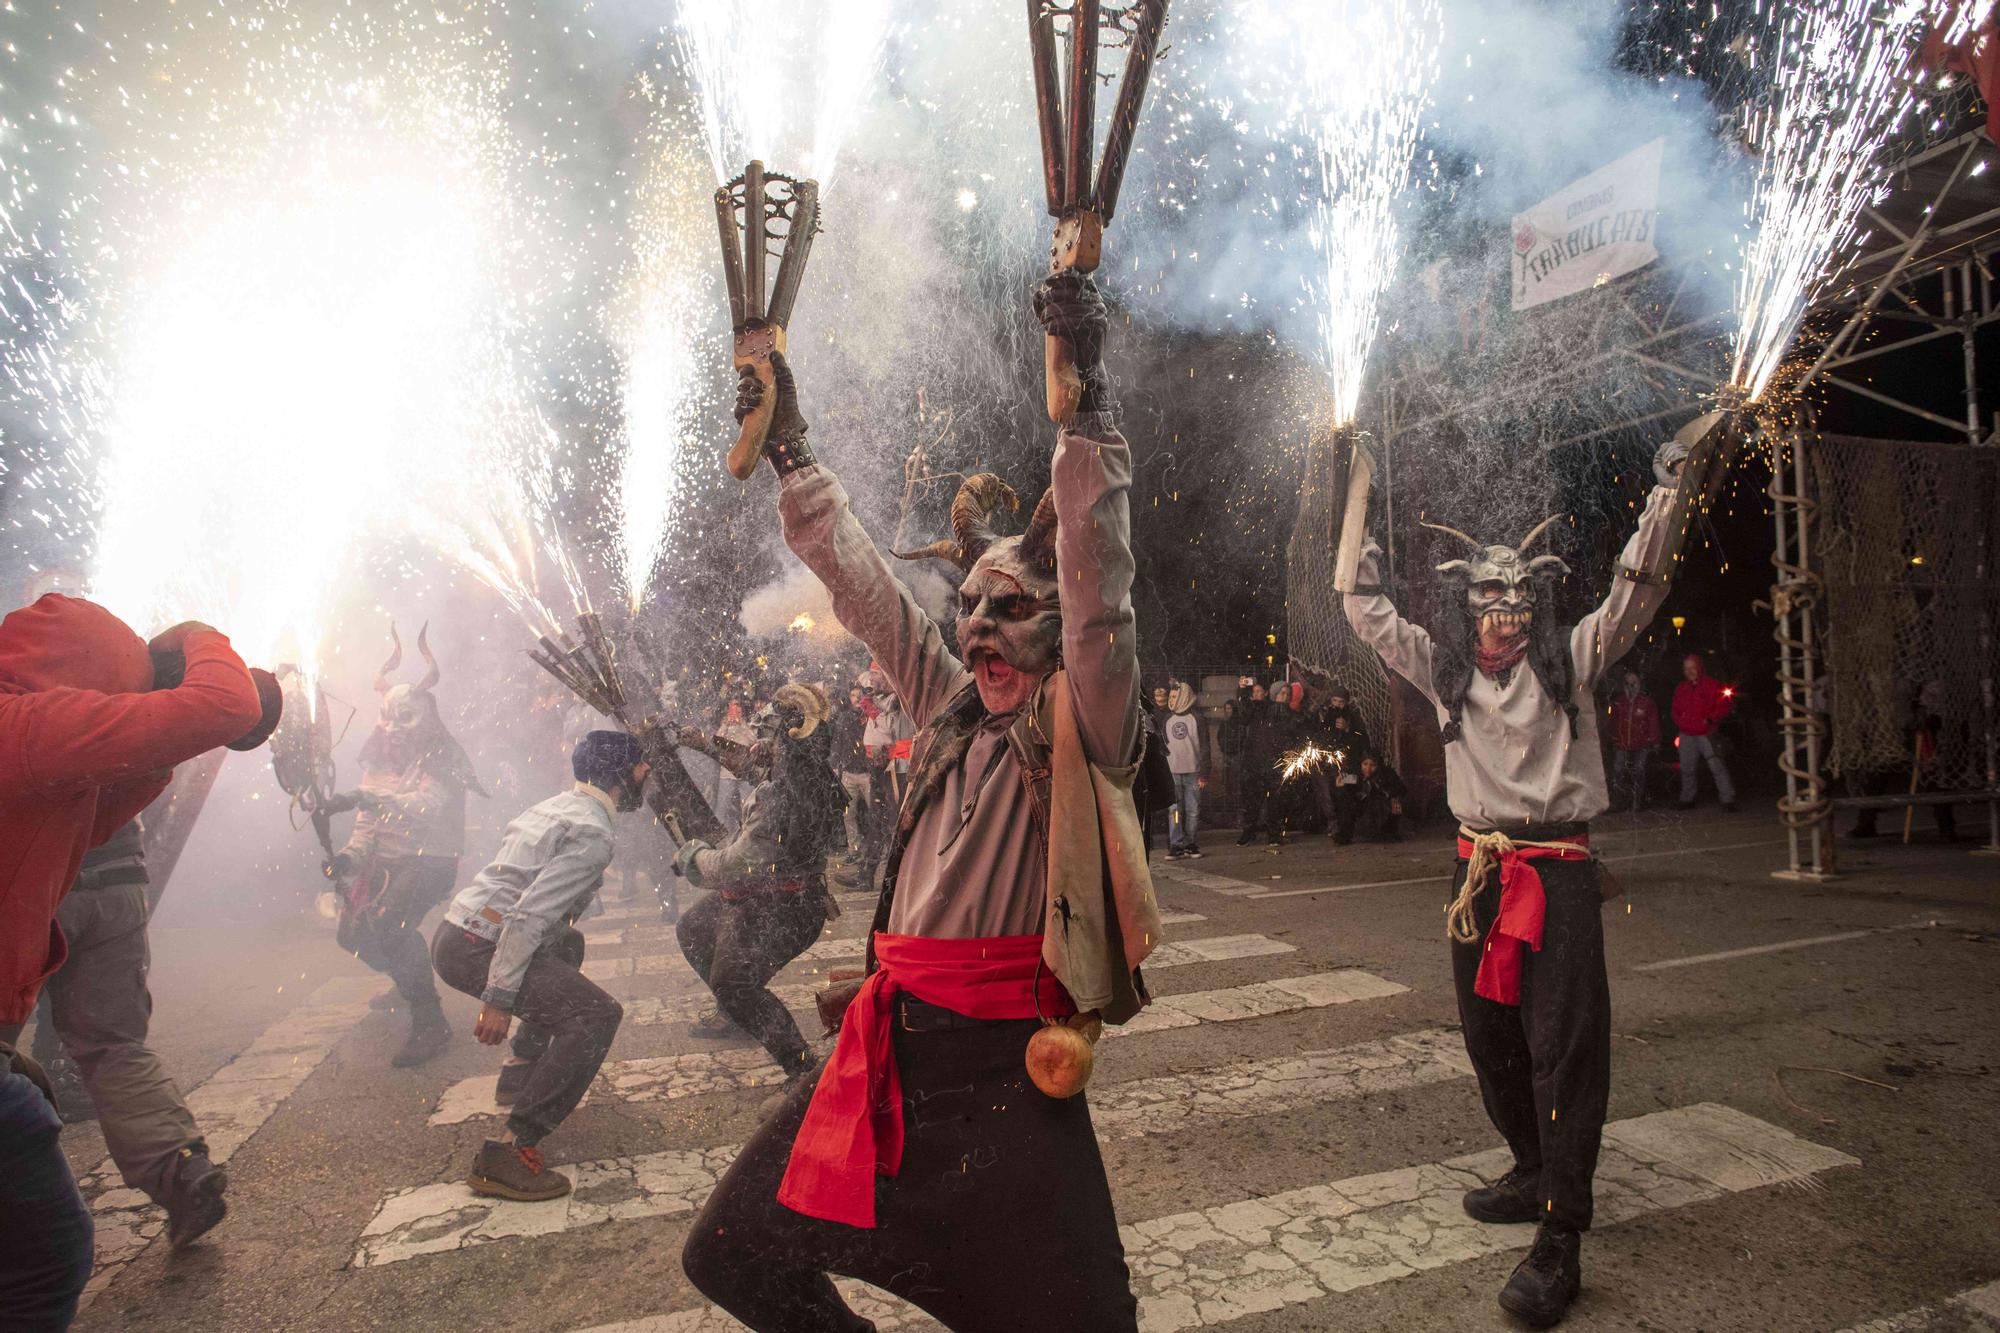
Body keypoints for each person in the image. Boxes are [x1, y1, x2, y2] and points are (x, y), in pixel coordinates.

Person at [681, 270, 1161, 1332]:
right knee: (731, 1252)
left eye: (1015, 609)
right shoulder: (948, 708)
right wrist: (794, 453)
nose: (983, 628)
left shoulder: (1084, 725)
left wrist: (1084, 410)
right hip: (890, 1051)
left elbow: (1099, 587)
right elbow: (866, 593)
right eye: (973, 607)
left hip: (1008, 1081)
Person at [1343, 433, 1688, 1327]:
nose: (1506, 610)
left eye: (1519, 595)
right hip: (1476, 874)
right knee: (1488, 1033)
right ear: (1467, 604)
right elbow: (1361, 601)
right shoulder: (1444, 670)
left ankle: (1562, 1229)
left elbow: (1636, 591)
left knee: (1563, 1047)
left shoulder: (1573, 656)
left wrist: (1667, 495)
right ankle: (1531, 1164)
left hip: (1558, 869)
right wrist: (1359, 482)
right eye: (1489, 595)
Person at [0, 598, 276, 1328]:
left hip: (55, 944)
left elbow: (118, 789)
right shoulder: (25, 726)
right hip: (115, 900)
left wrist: (161, 701)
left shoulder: (40, 739)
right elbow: (221, 703)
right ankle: (177, 1168)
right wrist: (191, 636)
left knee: (48, 1245)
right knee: (48, 1251)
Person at [430, 730, 644, 1202]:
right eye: (640, 767)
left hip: (455, 933)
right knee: (595, 1017)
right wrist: (498, 998)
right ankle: (510, 1150)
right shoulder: (593, 832)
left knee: (568, 942)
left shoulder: (557, 806)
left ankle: (521, 1072)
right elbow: (527, 915)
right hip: (478, 945)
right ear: (620, 776)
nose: (646, 775)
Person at [3, 823, 233, 1252]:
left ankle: (28, 1235)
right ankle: (181, 1172)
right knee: (114, 1047)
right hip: (116, 878)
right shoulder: (109, 753)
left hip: (25, 879)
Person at [323, 626, 485, 1067]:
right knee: (352, 934)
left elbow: (427, 808)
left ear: (426, 715)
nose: (393, 729)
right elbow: (368, 819)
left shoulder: (442, 755)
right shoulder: (378, 754)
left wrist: (371, 798)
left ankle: (429, 1020)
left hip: (431, 859)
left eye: (405, 718)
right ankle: (405, 975)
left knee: (390, 926)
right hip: (385, 860)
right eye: (387, 718)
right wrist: (351, 857)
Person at [672, 685, 843, 1085]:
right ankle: (737, 1012)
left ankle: (801, 1068)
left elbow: (731, 865)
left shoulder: (785, 793)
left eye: (774, 734)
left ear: (790, 737)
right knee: (694, 929)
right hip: (773, 898)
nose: (763, 743)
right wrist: (703, 743)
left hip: (785, 906)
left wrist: (692, 857)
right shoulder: (808, 773)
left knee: (733, 983)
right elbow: (751, 765)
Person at [1671, 654, 1736, 811]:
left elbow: (1723, 705)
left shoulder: (1711, 685)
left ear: (1699, 667)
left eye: (1692, 667)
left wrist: (1710, 720)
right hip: (1687, 734)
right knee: (1687, 768)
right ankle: (1687, 799)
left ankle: (1727, 800)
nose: (1689, 671)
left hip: (1707, 733)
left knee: (1717, 766)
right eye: (1686, 668)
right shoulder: (1681, 688)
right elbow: (1675, 709)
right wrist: (1682, 722)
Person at [1234, 682, 1286, 846]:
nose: (1256, 694)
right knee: (1252, 800)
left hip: (1270, 760)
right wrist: (1242, 693)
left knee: (1273, 801)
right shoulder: (1251, 709)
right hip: (1254, 761)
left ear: (1265, 692)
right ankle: (1249, 832)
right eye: (1253, 692)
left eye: (1259, 691)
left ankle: (1274, 834)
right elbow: (1242, 718)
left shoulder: (1272, 708)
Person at [830, 685, 876, 870]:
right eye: (853, 695)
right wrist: (835, 764)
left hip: (868, 773)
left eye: (859, 695)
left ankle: (878, 849)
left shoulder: (870, 717)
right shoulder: (844, 718)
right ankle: (854, 850)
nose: (856, 699)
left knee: (876, 812)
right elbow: (837, 741)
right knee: (849, 815)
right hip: (849, 773)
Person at [1163, 681, 1206, 859]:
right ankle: (1176, 844)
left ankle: (1191, 843)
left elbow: (1204, 746)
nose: (1171, 700)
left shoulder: (1196, 718)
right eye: (1170, 697)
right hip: (1173, 772)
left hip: (1193, 772)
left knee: (1193, 810)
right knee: (1175, 811)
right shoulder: (1167, 719)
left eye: (1174, 697)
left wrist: (1204, 771)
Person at [1606, 668, 1660, 812]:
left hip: (1642, 743)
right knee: (1618, 771)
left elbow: (1653, 722)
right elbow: (1614, 722)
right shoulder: (1619, 702)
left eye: (1633, 683)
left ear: (1639, 683)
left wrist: (1654, 741)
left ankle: (1637, 800)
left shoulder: (1646, 702)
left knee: (1639, 771)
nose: (1630, 686)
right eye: (1627, 683)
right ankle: (1619, 799)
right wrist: (1613, 738)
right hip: (1622, 743)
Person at [1339, 754, 1407, 842]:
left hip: (1382, 806)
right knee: (1345, 802)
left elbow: (1401, 790)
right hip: (1361, 805)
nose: (1368, 768)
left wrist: (1386, 792)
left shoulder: (1386, 775)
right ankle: (1345, 835)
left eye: (1372, 765)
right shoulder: (1356, 775)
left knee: (1389, 804)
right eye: (1365, 764)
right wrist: (1341, 785)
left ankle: (1387, 833)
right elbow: (1340, 780)